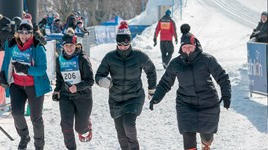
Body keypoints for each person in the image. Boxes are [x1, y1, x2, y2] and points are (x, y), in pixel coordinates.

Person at [149, 24, 231, 150]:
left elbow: (222, 77)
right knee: (188, 134)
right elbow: (166, 82)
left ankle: (206, 144)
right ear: (181, 48)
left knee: (207, 136)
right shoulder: (175, 63)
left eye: (190, 47)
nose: (187, 50)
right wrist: (156, 98)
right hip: (185, 104)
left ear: (196, 47)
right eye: (185, 47)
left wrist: (226, 95)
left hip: (208, 102)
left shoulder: (207, 59)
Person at [95, 21, 157, 150]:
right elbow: (99, 75)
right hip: (115, 99)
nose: (123, 47)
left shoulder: (139, 56)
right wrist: (102, 81)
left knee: (128, 124)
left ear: (130, 42)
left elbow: (151, 69)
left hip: (134, 97)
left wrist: (152, 89)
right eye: (120, 44)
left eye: (126, 44)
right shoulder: (110, 57)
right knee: (121, 134)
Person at [0, 19, 52, 150]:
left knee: (36, 118)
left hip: (34, 86)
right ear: (17, 33)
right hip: (17, 85)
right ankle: (24, 136)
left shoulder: (37, 47)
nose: (24, 35)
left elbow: (42, 69)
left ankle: (39, 144)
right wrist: (2, 74)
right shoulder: (11, 45)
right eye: (21, 32)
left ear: (31, 34)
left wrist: (27, 70)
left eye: (27, 33)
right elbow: (6, 61)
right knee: (16, 113)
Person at [52, 28, 94, 150]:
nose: (69, 48)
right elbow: (60, 78)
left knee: (80, 128)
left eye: (71, 45)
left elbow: (90, 81)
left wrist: (78, 87)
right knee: (66, 125)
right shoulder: (59, 59)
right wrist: (57, 90)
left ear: (76, 45)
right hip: (66, 96)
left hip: (83, 96)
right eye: (66, 45)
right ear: (63, 46)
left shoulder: (82, 59)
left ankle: (86, 124)